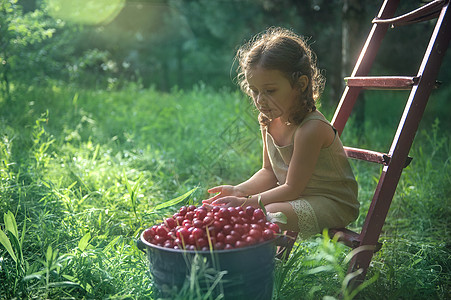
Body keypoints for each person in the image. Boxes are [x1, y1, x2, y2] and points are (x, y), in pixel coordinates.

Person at [202, 27, 359, 239]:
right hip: (299, 196)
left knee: (269, 212)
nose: (260, 100)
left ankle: (259, 263)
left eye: (270, 91)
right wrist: (239, 191)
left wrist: (245, 203)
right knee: (264, 209)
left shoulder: (310, 128)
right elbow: (268, 172)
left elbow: (292, 188)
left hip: (331, 202)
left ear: (300, 85)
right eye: (254, 91)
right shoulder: (268, 120)